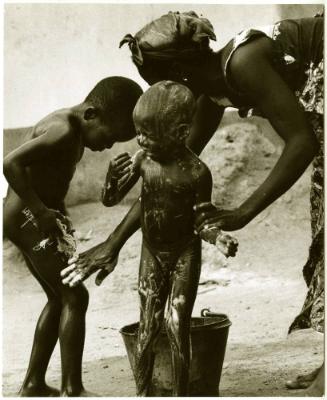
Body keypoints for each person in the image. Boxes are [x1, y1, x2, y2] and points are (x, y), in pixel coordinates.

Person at [63, 11, 324, 395]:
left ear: (180, 72)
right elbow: (167, 175)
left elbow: (302, 142)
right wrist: (112, 244)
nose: (160, 96)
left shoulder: (244, 62)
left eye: (158, 84)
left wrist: (242, 213)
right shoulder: (211, 92)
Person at [64, 81, 236, 396]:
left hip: (184, 254)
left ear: (182, 131)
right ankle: (144, 392)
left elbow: (202, 220)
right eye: (139, 132)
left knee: (176, 325)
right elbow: (111, 200)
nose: (142, 140)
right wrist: (110, 181)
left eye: (151, 134)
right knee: (147, 328)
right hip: (152, 252)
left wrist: (217, 237)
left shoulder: (198, 173)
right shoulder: (144, 160)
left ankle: (181, 393)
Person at [3, 76, 143, 397]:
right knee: (74, 296)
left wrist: (59, 213)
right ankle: (72, 389)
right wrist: (40, 212)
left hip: (27, 218)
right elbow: (10, 164)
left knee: (59, 296)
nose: (108, 146)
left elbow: (47, 178)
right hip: (25, 218)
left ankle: (34, 385)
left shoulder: (75, 130)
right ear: (92, 114)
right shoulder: (63, 129)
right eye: (110, 138)